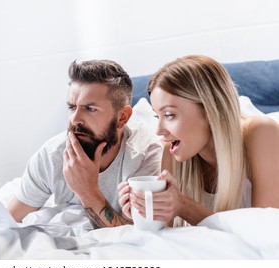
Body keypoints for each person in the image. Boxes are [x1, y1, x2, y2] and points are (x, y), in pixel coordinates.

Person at [0, 59, 162, 240]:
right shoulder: (53, 153)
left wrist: (87, 190)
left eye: (90, 109)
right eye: (71, 107)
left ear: (122, 118)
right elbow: (5, 223)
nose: (74, 120)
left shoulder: (146, 156)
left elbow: (140, 240)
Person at [118, 54, 279, 227]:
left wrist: (184, 206)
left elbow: (265, 233)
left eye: (170, 115)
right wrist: (144, 214)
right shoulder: (170, 153)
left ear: (211, 110)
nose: (159, 130)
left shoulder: (262, 133)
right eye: (157, 116)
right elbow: (168, 241)